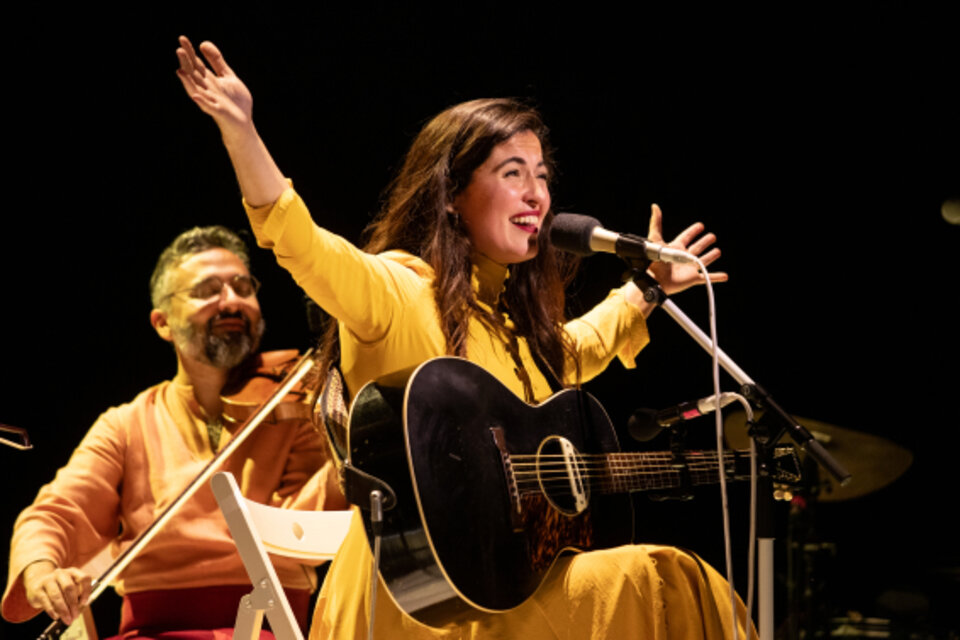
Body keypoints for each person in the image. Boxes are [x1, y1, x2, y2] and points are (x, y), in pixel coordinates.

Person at [176, 36, 752, 640]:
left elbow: (579, 347)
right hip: (414, 604)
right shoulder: (397, 291)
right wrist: (240, 128)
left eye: (542, 177)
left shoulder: (508, 322)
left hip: (500, 596)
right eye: (512, 174)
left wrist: (648, 289)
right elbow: (304, 245)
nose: (537, 195)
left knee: (670, 574)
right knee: (652, 577)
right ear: (451, 195)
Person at [2, 226, 347, 638]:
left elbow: (313, 522)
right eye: (207, 290)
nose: (232, 301)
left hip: (270, 626)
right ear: (163, 323)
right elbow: (57, 513)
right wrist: (42, 573)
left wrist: (350, 444)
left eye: (242, 286)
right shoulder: (125, 424)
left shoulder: (295, 404)